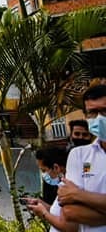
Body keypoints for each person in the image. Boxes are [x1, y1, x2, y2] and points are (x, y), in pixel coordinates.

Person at [59, 83, 106, 229]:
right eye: (92, 112)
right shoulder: (79, 155)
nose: (99, 118)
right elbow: (70, 211)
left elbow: (72, 197)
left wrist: (77, 194)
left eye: (105, 111)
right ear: (85, 115)